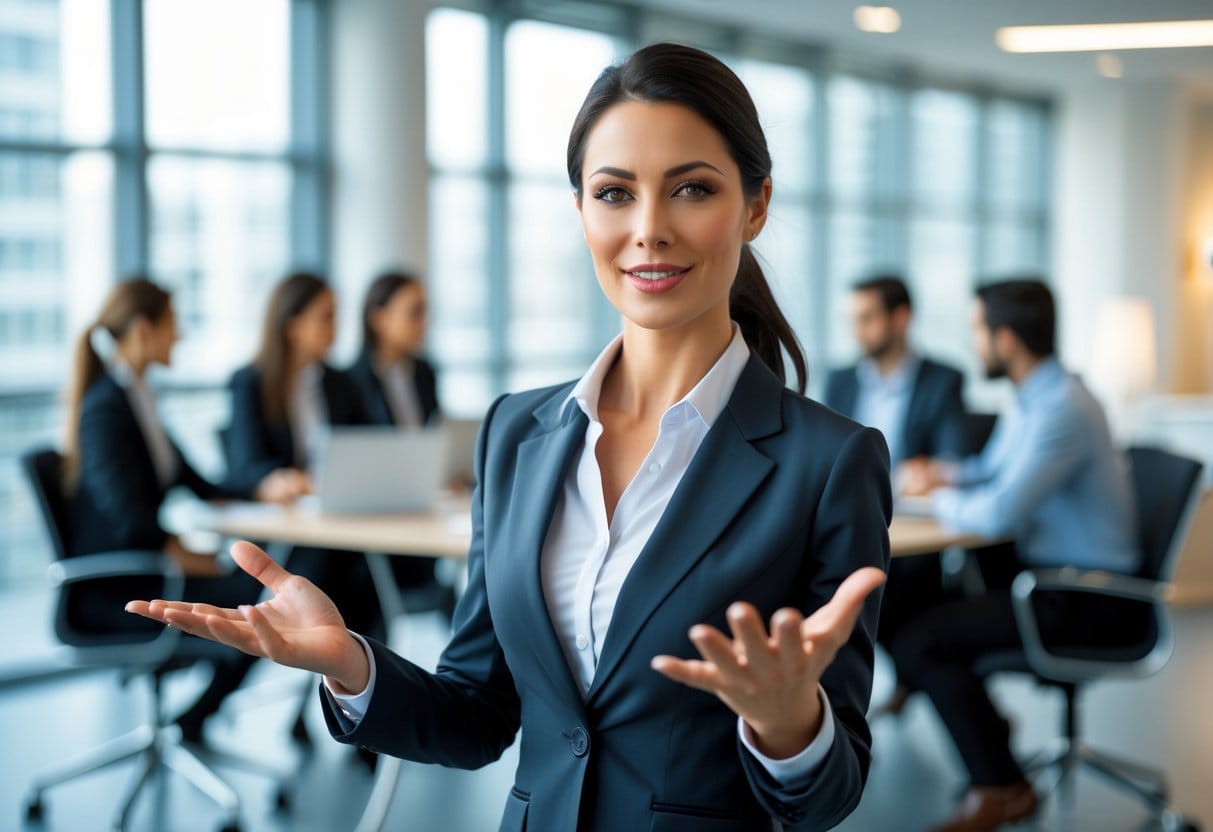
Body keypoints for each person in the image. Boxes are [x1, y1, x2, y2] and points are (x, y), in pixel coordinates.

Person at [129, 44, 891, 830]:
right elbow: (477, 713)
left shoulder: (829, 462)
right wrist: (350, 664)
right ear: (581, 213)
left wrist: (785, 721)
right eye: (613, 193)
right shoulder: (518, 434)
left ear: (755, 206)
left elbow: (828, 794)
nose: (649, 229)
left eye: (692, 189)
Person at [894, 279, 1141, 832]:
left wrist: (934, 497)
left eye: (978, 332)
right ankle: (990, 747)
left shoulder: (1061, 409)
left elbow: (1000, 511)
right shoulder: (1035, 397)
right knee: (904, 606)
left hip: (1087, 596)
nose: (975, 344)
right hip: (1050, 579)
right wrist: (944, 474)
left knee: (921, 640)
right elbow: (992, 474)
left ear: (1006, 339)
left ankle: (1000, 788)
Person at [63, 277, 271, 743]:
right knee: (249, 605)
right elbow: (127, 522)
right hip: (116, 584)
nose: (180, 335)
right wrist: (178, 551)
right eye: (173, 325)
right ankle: (193, 721)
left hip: (146, 565)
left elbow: (199, 483)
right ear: (143, 330)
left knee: (250, 593)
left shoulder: (138, 399)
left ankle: (192, 721)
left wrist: (264, 486)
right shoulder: (106, 410)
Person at [823, 273, 967, 716]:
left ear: (901, 318)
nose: (857, 330)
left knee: (876, 599)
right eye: (853, 319)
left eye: (867, 318)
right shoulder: (841, 379)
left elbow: (950, 459)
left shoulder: (942, 380)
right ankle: (906, 677)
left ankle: (879, 693)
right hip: (850, 519)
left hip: (912, 532)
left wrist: (929, 472)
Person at [347, 270, 441, 429]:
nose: (424, 323)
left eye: (424, 312)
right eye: (415, 313)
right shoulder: (352, 382)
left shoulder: (424, 371)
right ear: (379, 319)